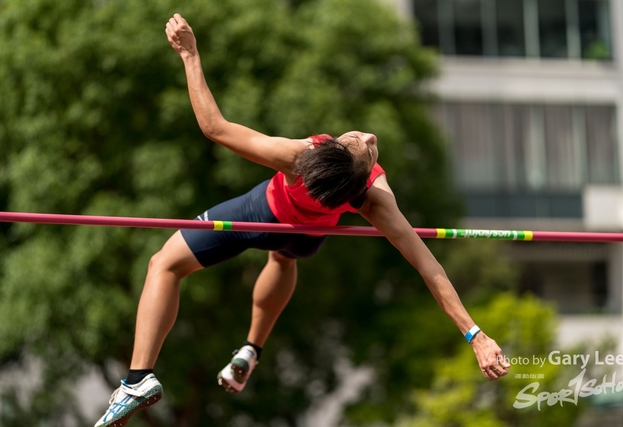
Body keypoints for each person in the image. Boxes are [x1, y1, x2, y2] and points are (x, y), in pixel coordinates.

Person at [94, 13, 510, 427]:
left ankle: (137, 377)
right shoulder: (373, 201)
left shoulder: (301, 157)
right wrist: (475, 335)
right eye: (361, 142)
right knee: (283, 258)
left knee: (164, 264)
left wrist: (190, 55)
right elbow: (428, 266)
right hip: (310, 235)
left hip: (260, 212)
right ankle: (251, 350)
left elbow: (215, 128)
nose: (369, 137)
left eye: (367, 149)